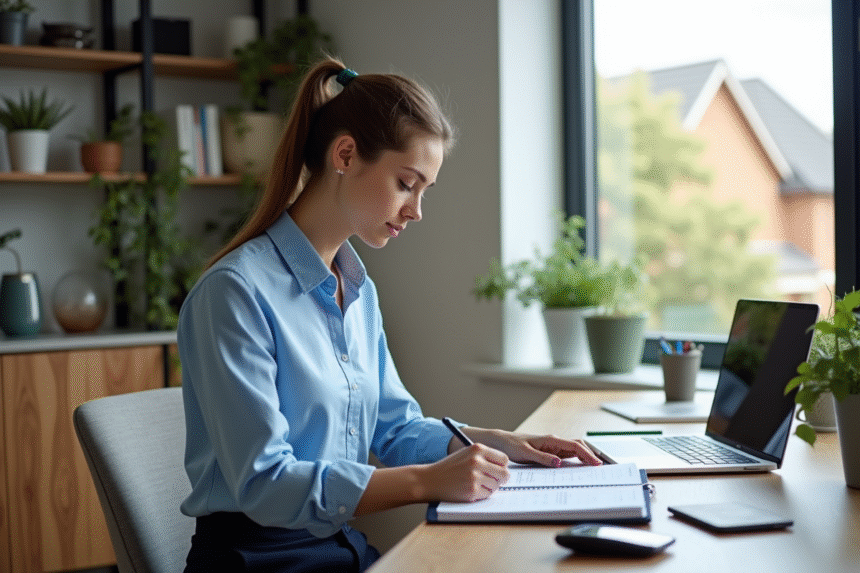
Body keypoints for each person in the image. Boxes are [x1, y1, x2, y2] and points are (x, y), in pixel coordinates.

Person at [178, 57, 602, 573]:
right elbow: (265, 483)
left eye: (424, 191)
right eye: (406, 183)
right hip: (256, 560)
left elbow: (396, 429)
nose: (416, 210)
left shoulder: (357, 290)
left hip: (335, 547)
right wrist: (426, 483)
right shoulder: (234, 295)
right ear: (346, 154)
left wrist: (501, 443)